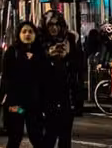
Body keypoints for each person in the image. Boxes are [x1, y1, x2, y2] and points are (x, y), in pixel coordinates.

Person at [0, 21, 44, 148]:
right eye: (24, 32)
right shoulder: (12, 52)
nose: (27, 34)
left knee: (36, 136)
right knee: (15, 136)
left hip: (33, 104)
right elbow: (5, 77)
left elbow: (43, 76)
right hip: (15, 104)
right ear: (18, 34)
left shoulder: (40, 52)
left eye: (30, 32)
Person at [40, 11, 82, 148]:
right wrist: (48, 54)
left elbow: (79, 65)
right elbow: (35, 66)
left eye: (57, 25)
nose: (54, 28)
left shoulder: (70, 39)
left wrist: (66, 56)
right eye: (50, 25)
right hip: (47, 94)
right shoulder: (40, 41)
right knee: (50, 133)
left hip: (67, 92)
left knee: (65, 135)